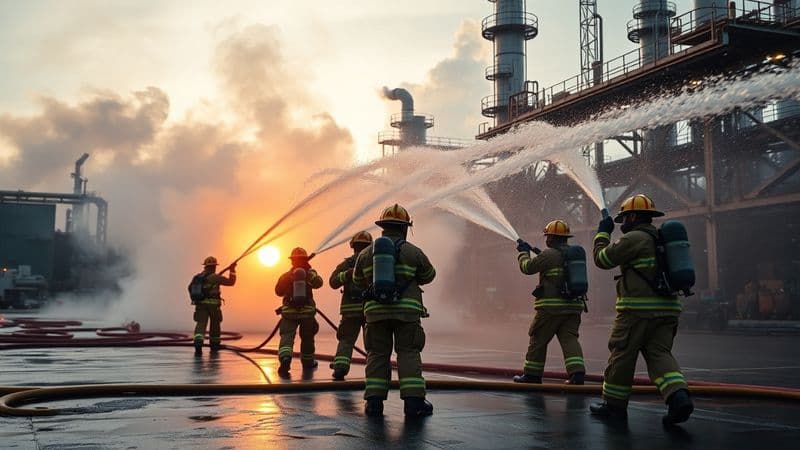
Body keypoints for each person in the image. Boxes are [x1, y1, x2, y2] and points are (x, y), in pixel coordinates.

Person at [590, 194, 694, 425]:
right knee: (660, 355)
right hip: (667, 310)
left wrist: (603, 233)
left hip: (637, 311)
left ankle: (614, 406)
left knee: (622, 355)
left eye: (624, 218)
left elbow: (602, 259)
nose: (622, 223)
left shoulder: (634, 238)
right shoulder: (660, 238)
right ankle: (678, 397)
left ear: (634, 216)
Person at [353, 204, 436, 417]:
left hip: (375, 312)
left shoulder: (365, 253)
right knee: (408, 352)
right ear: (405, 228)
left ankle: (374, 403)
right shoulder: (413, 252)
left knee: (377, 354)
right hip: (406, 313)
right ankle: (414, 403)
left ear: (382, 227)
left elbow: (357, 280)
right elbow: (429, 275)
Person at [514, 220, 586, 385]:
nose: (546, 239)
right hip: (574, 307)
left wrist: (523, 253)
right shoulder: (572, 254)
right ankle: (577, 375)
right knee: (570, 339)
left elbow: (527, 267)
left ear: (551, 238)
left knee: (538, 339)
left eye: (547, 236)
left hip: (551, 309)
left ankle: (532, 375)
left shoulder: (549, 254)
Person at [329, 231, 373, 381]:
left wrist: (345, 275)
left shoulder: (346, 264)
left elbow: (333, 282)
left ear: (352, 246)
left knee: (346, 340)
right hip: (370, 309)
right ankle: (375, 371)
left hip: (350, 311)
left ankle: (340, 368)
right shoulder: (375, 262)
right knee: (373, 343)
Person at [274, 247, 323, 376]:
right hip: (307, 313)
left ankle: (285, 358)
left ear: (292, 261)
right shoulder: (310, 273)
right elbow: (319, 283)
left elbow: (278, 292)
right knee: (307, 337)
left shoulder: (286, 275)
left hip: (289, 312)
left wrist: (288, 280)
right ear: (305, 260)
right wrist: (310, 273)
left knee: (286, 336)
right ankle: (308, 363)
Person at [190, 256, 236, 356]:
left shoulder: (197, 277)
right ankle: (214, 345)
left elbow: (189, 288)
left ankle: (198, 344)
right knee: (215, 325)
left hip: (200, 305)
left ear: (205, 266)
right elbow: (231, 282)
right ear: (214, 266)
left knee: (200, 324)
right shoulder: (215, 277)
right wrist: (232, 271)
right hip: (213, 306)